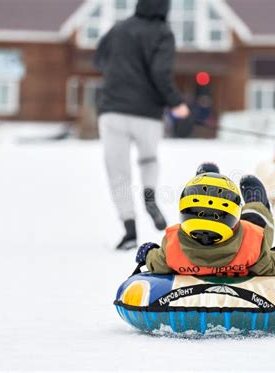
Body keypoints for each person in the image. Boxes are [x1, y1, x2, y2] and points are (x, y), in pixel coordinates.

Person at [94, 0, 190, 250]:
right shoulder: (163, 33)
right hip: (147, 113)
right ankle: (149, 196)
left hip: (112, 110)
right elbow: (161, 72)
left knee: (118, 171)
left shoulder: (119, 28)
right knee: (148, 159)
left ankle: (129, 230)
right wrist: (176, 103)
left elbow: (99, 59)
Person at [135, 163, 275, 277]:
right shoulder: (253, 245)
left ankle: (206, 183)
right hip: (244, 239)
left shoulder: (172, 246)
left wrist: (147, 252)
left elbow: (157, 263)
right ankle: (255, 202)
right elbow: (270, 265)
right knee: (256, 218)